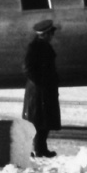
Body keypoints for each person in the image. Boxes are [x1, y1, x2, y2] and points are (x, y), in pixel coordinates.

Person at [21, 18, 61, 158]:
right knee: (39, 122)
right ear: (45, 34)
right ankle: (38, 149)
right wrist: (41, 83)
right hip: (39, 91)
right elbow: (27, 68)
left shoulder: (43, 46)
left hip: (44, 89)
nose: (52, 36)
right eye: (51, 34)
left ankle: (42, 149)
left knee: (45, 121)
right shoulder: (35, 47)